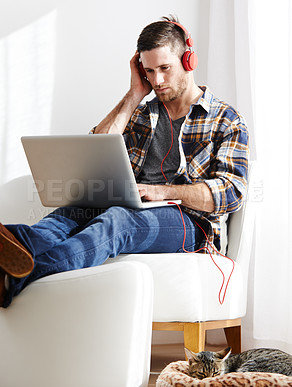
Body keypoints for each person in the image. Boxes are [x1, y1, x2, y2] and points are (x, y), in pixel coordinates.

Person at [0, 16, 249, 308]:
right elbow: (96, 151)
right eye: (149, 71)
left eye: (165, 69)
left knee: (118, 221)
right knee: (67, 215)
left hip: (190, 222)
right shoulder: (144, 113)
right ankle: (11, 247)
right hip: (131, 204)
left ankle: (17, 278)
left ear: (188, 60)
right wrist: (134, 95)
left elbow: (232, 193)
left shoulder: (225, 119)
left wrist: (165, 191)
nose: (157, 80)